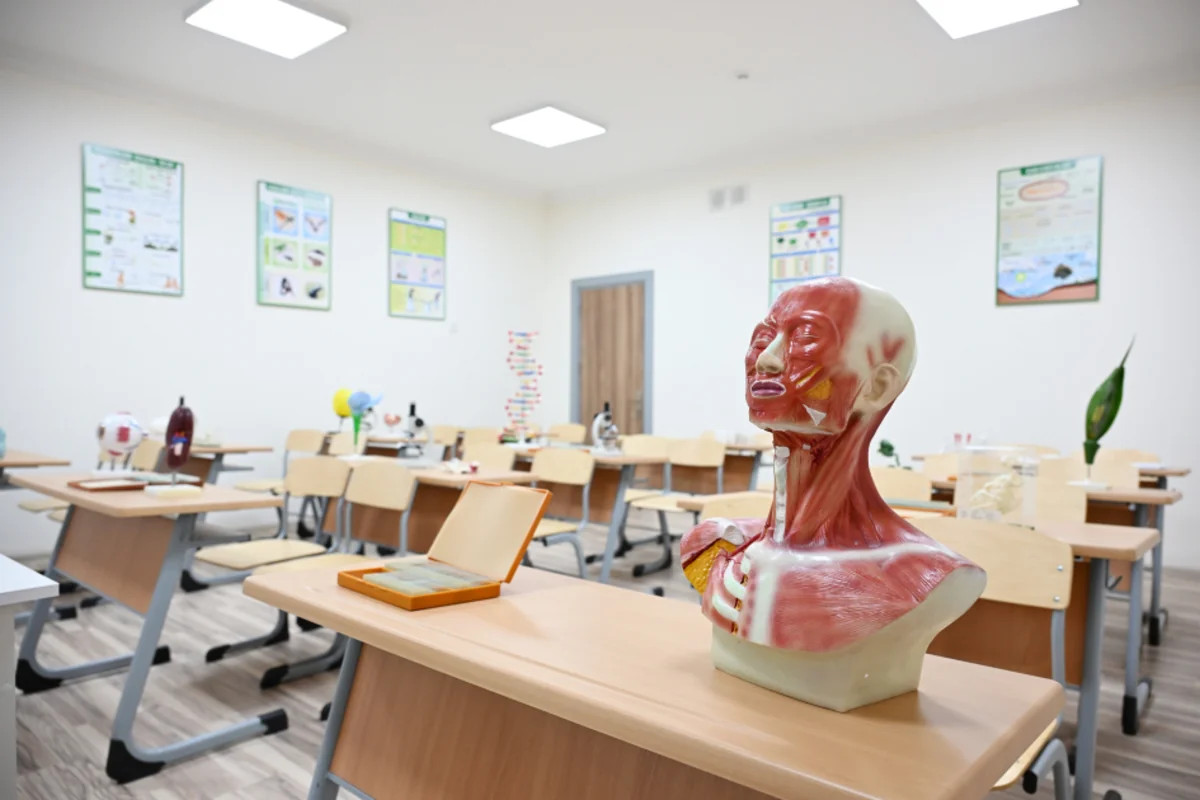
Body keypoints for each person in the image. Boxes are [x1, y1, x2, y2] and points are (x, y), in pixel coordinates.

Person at [680, 277, 985, 709]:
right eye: (763, 338)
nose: (766, 359)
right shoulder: (718, 545)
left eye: (805, 337)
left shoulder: (914, 573)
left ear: (876, 386)